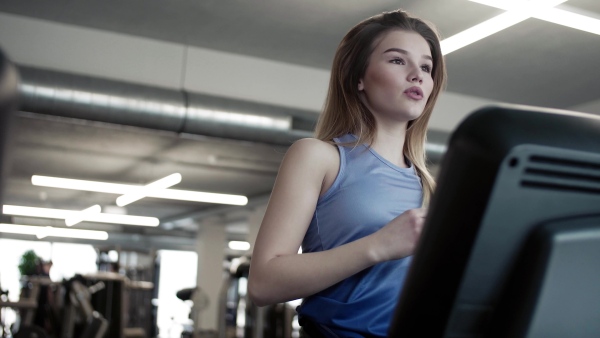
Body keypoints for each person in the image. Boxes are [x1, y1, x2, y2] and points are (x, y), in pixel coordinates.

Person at [248, 8, 447, 337]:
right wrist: (378, 245)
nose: (418, 75)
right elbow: (262, 283)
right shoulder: (318, 157)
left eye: (426, 67)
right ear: (358, 77)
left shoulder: (431, 187)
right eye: (398, 61)